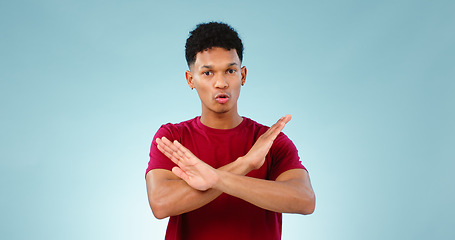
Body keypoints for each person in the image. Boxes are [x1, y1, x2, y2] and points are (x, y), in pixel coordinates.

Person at [145, 22, 315, 240]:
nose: (221, 82)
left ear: (242, 75)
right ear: (191, 80)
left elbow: (304, 200)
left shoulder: (270, 141)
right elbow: (161, 204)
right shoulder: (172, 139)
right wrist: (244, 165)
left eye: (230, 71)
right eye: (207, 73)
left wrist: (215, 179)